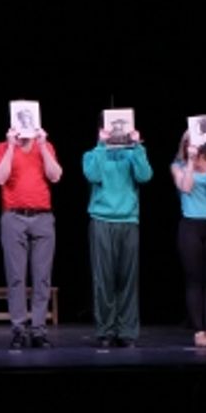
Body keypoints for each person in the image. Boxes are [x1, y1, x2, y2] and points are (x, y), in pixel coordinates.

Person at [0, 125, 63, 348]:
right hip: (14, 217)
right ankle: (19, 329)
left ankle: (39, 329)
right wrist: (11, 146)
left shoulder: (45, 146)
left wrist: (43, 145)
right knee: (16, 277)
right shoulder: (2, 148)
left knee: (42, 277)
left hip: (42, 217)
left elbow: (55, 176)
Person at [83, 126, 153, 348]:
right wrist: (101, 145)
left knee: (127, 279)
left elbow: (145, 176)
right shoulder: (93, 154)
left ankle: (127, 331)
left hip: (128, 220)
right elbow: (93, 175)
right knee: (104, 280)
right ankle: (105, 331)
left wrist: (137, 146)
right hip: (102, 220)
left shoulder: (132, 154)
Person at [171, 133, 206, 348]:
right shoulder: (177, 166)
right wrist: (190, 161)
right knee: (194, 279)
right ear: (185, 144)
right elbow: (185, 187)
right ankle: (198, 330)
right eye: (190, 141)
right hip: (190, 226)